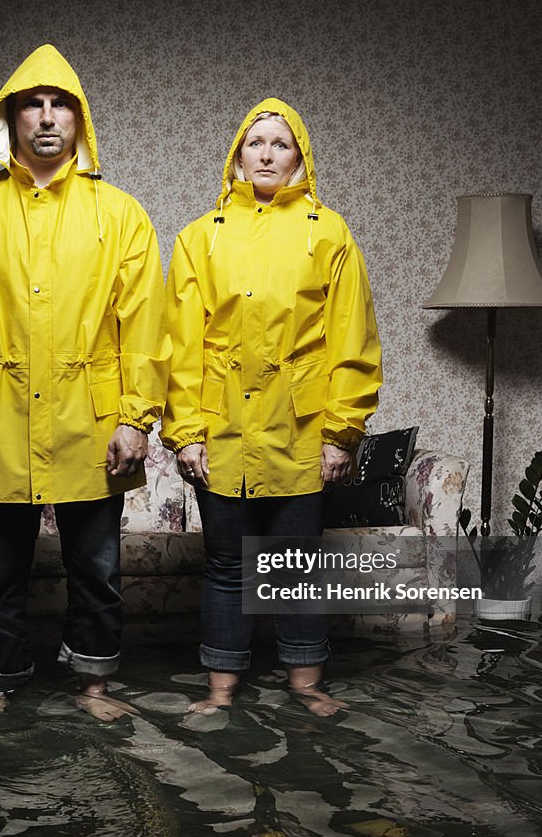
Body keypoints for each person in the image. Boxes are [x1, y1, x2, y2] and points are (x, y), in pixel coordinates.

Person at [0, 44, 169, 727]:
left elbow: (146, 323)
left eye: (61, 104)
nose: (47, 117)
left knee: (97, 568)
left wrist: (135, 419)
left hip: (94, 420)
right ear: (11, 119)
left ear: (80, 120)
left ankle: (93, 685)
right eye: (34, 103)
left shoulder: (121, 213)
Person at [162, 98, 382, 717]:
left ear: (299, 158)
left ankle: (307, 686)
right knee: (228, 565)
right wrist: (185, 434)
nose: (266, 153)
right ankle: (219, 690)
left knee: (296, 566)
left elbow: (352, 339)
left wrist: (342, 433)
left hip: (302, 429)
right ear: (237, 156)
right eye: (255, 142)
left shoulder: (330, 232)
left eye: (280, 144)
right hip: (223, 429)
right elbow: (179, 346)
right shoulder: (199, 237)